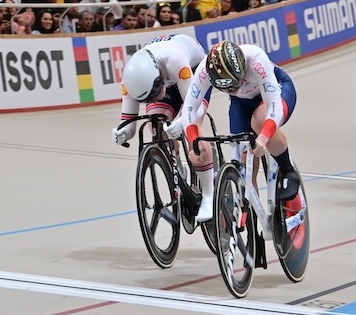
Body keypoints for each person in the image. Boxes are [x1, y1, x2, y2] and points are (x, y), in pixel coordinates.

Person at [167, 41, 301, 216]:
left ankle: (288, 170)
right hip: (240, 102)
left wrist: (263, 137)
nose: (232, 88)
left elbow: (274, 106)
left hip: (277, 90)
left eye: (234, 84)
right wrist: (193, 142)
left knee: (259, 121)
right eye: (227, 87)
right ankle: (254, 222)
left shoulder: (256, 59)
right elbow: (190, 109)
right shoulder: (204, 71)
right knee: (241, 164)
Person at [110, 34, 214, 220]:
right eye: (147, 98)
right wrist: (122, 132)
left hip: (193, 71)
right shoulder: (131, 79)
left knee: (193, 130)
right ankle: (178, 170)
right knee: (155, 124)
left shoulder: (175, 59)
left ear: (158, 78)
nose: (155, 99)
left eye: (155, 93)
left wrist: (182, 123)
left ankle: (209, 196)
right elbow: (129, 123)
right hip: (166, 78)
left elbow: (194, 109)